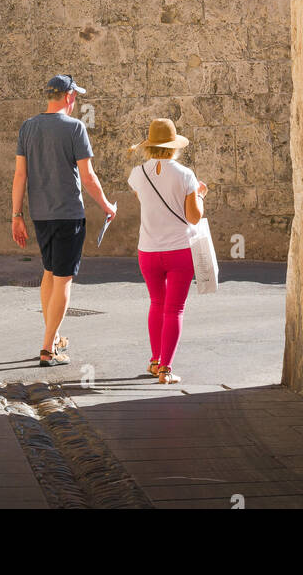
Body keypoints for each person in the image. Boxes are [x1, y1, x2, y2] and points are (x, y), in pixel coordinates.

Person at [11, 74, 116, 366]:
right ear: (69, 97)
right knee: (64, 279)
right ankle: (47, 349)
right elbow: (88, 177)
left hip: (40, 215)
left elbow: (20, 175)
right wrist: (107, 205)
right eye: (75, 97)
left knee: (48, 273)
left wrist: (16, 215)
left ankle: (53, 337)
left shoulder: (28, 127)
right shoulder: (75, 128)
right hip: (69, 214)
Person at [127, 119, 207, 385]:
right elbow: (194, 217)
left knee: (156, 303)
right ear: (174, 147)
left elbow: (147, 202)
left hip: (148, 250)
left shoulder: (137, 174)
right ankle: (166, 369)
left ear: (149, 146)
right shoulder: (185, 175)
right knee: (174, 309)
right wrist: (201, 196)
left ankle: (154, 360)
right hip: (179, 250)